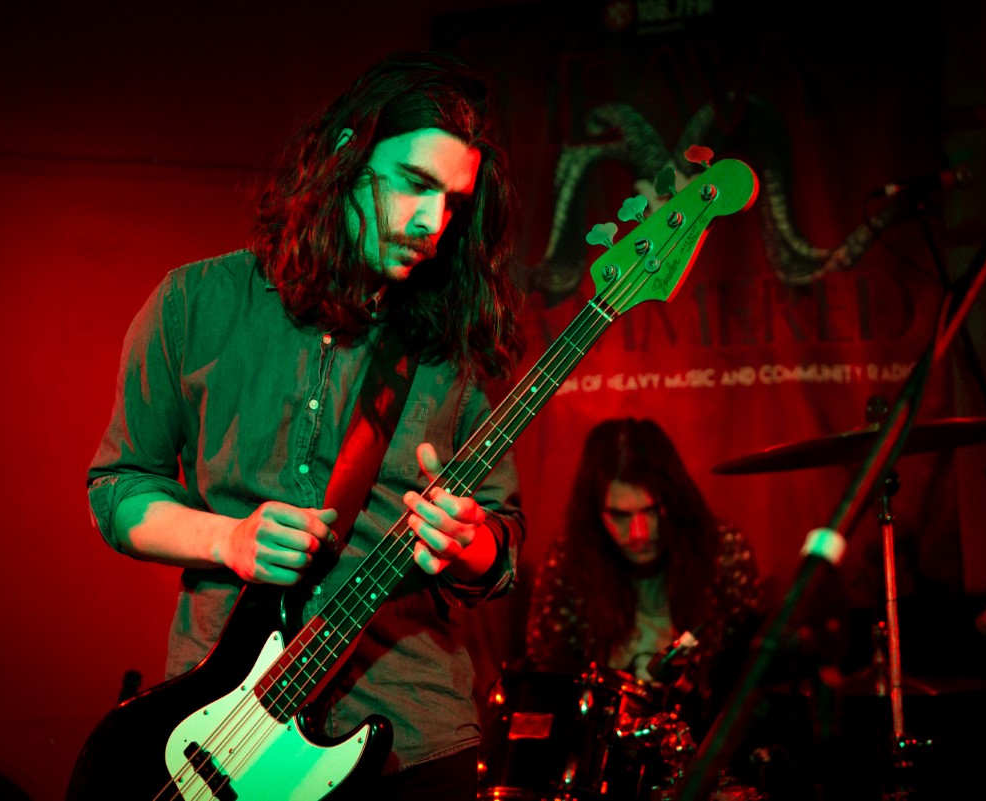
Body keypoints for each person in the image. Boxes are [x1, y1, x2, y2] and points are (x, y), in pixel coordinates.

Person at [84, 51, 526, 800]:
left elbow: (501, 543)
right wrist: (227, 539)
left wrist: (468, 544)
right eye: (414, 184)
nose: (432, 223)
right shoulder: (195, 301)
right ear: (345, 158)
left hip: (411, 734)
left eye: (453, 201)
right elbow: (118, 486)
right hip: (223, 733)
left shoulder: (450, 339)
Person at [524, 417, 763, 726]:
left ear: (673, 501)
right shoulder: (568, 561)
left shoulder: (723, 551)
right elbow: (546, 672)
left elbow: (750, 671)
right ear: (594, 514)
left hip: (702, 738)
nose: (639, 533)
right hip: (602, 738)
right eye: (619, 515)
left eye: (650, 511)